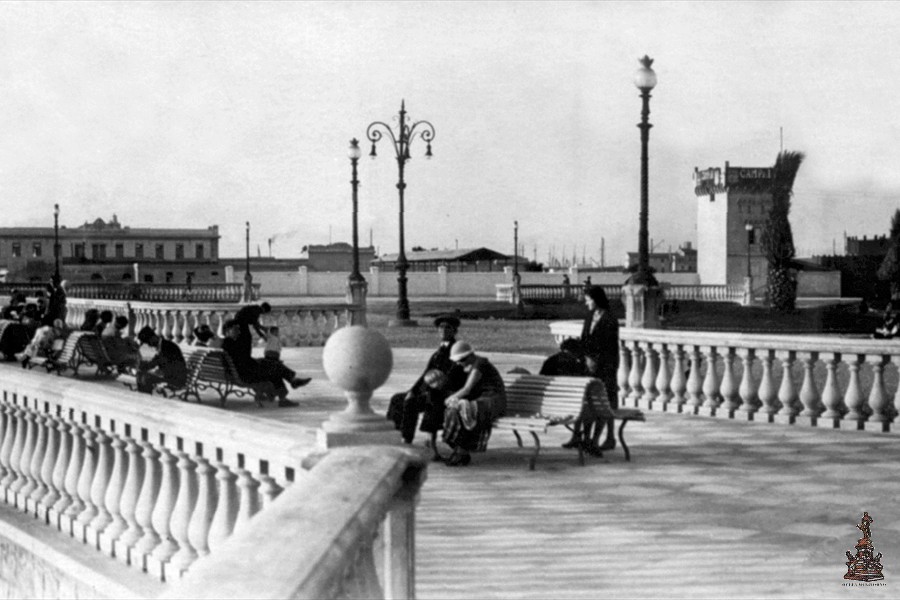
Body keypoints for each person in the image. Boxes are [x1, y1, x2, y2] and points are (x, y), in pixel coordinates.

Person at [386, 315, 466, 460]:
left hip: (444, 393)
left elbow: (450, 377)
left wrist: (421, 393)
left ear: (454, 331)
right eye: (440, 327)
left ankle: (407, 439)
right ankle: (393, 436)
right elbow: (425, 374)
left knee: (415, 402)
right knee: (398, 399)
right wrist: (412, 391)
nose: (443, 330)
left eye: (447, 327)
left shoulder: (457, 350)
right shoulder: (438, 352)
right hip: (427, 390)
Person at [441, 341, 506, 467]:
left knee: (466, 408)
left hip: (493, 400)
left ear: (471, 355)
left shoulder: (480, 365)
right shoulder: (470, 366)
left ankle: (461, 452)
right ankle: (460, 452)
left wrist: (450, 399)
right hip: (483, 400)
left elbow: (467, 389)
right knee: (457, 411)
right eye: (458, 361)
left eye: (462, 359)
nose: (460, 363)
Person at [221, 319, 307, 407]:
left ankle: (290, 383)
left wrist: (258, 362)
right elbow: (244, 360)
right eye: (236, 329)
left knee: (271, 365)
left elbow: (241, 360)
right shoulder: (231, 343)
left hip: (236, 373)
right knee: (275, 368)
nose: (239, 332)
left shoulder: (226, 343)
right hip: (245, 375)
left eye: (239, 329)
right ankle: (286, 392)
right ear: (228, 331)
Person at [580, 285, 620, 455]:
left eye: (588, 299)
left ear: (596, 299)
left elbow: (609, 346)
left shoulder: (610, 319)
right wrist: (587, 357)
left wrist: (596, 360)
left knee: (605, 402)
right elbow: (585, 339)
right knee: (591, 402)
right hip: (591, 365)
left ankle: (603, 438)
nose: (586, 302)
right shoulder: (590, 316)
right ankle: (589, 439)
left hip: (606, 365)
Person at [135, 326, 188, 394]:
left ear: (153, 338)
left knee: (146, 378)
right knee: (140, 374)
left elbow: (160, 362)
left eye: (149, 342)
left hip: (176, 378)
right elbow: (156, 360)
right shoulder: (162, 345)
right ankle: (142, 396)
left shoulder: (167, 346)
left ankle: (145, 398)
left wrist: (150, 369)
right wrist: (145, 366)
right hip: (169, 375)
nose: (149, 345)